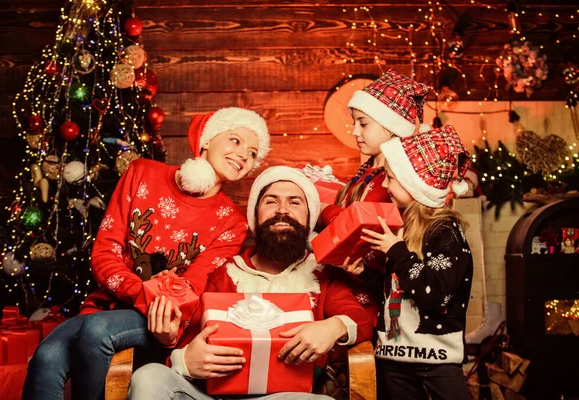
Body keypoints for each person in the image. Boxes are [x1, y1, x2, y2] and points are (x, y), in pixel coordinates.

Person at [23, 107, 271, 400]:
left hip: (166, 323)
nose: (244, 155)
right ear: (207, 140)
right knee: (47, 355)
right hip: (112, 305)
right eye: (235, 141)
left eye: (253, 153)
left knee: (97, 329)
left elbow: (193, 287)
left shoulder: (232, 221)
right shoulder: (142, 172)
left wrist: (163, 307)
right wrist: (146, 294)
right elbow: (105, 252)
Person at [128, 166, 374, 400]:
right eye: (271, 201)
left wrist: (333, 327)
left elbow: (360, 320)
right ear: (255, 216)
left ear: (309, 217)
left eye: (294, 202)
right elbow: (187, 342)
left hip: (287, 396)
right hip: (214, 394)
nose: (282, 210)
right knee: (149, 376)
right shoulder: (224, 272)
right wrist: (185, 361)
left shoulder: (323, 273)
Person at [340, 125, 473, 400]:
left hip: (437, 360)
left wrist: (398, 251)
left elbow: (434, 294)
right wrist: (365, 274)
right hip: (394, 358)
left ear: (414, 184)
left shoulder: (445, 233)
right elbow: (399, 290)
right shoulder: (403, 227)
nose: (385, 185)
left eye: (390, 178)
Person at [320, 70, 429, 317]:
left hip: (372, 296)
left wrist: (323, 209)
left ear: (391, 126)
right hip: (348, 283)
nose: (355, 131)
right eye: (354, 123)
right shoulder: (368, 171)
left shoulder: (395, 183)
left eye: (363, 123)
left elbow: (356, 228)